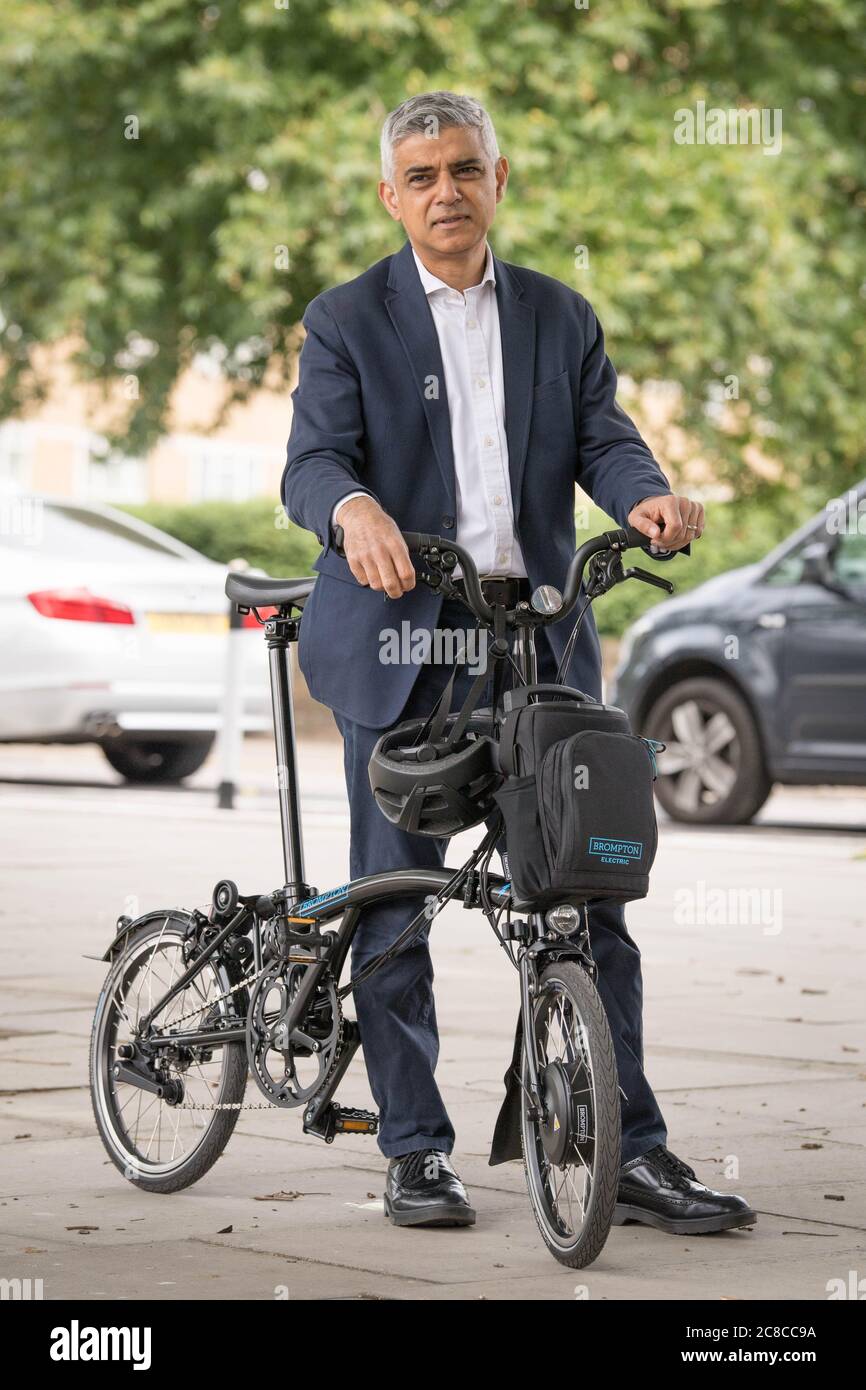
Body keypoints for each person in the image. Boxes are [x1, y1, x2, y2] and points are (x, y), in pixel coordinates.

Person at [282, 91, 755, 1236]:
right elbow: (310, 463)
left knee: (590, 899)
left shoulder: (558, 315)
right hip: (404, 647)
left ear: (502, 178)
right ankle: (413, 1151)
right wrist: (351, 512)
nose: (445, 191)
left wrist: (642, 496)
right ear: (388, 196)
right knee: (395, 910)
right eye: (422, 175)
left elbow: (602, 436)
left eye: (464, 168)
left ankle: (626, 1150)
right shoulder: (346, 320)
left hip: (534, 650)